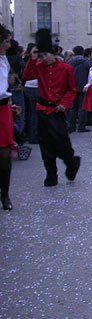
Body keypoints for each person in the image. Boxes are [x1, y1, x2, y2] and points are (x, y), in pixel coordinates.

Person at [22, 29, 81, 187]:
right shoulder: (39, 66)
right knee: (45, 144)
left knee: (62, 142)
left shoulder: (66, 68)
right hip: (42, 109)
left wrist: (65, 104)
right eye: (41, 56)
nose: (44, 59)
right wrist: (33, 58)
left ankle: (71, 162)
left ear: (53, 53)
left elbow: (71, 90)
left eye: (45, 55)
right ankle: (51, 174)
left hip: (57, 110)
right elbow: (27, 76)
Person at [0, 24, 20, 209]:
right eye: (5, 41)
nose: (8, 45)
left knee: (5, 155)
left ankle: (5, 195)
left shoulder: (4, 59)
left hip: (3, 109)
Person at [66, 45, 91, 133]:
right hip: (84, 87)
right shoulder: (87, 63)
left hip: (72, 87)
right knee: (82, 107)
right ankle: (81, 126)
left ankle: (71, 126)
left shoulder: (69, 62)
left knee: (73, 107)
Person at [23, 44, 39, 144]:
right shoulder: (30, 61)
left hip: (35, 87)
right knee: (34, 112)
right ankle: (33, 135)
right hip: (32, 87)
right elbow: (27, 76)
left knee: (33, 112)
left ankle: (33, 134)